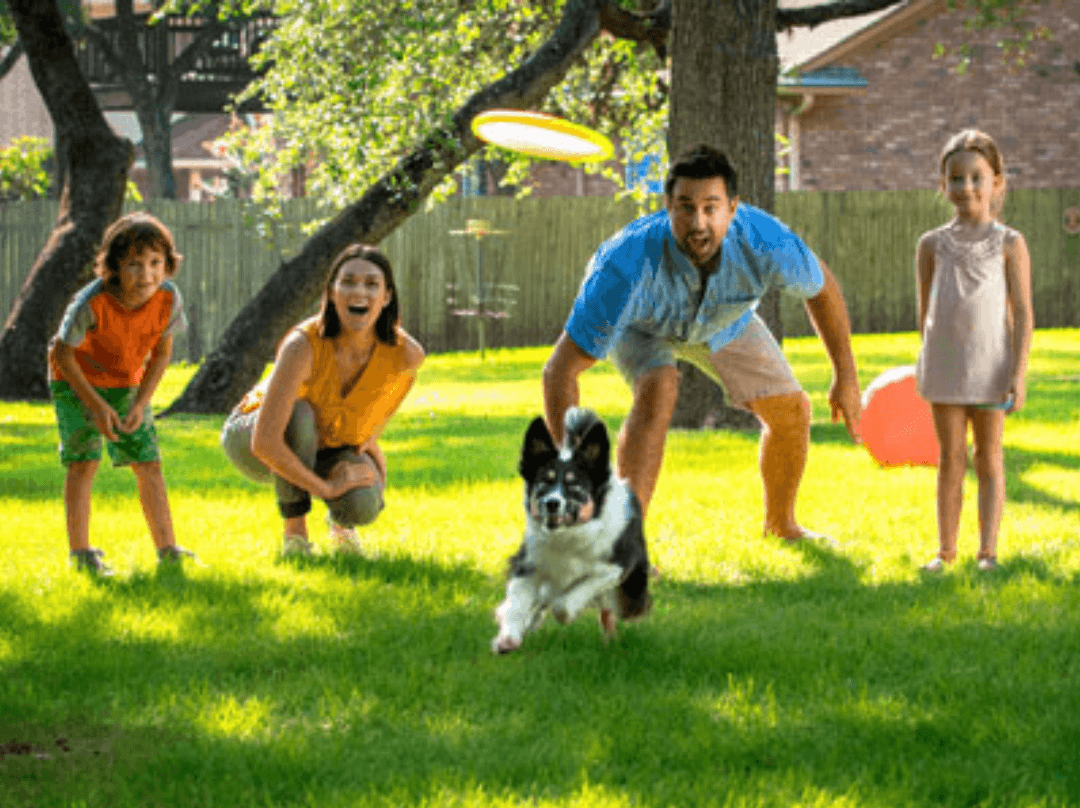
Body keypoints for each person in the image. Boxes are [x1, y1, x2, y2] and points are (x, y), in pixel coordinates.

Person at [543, 144, 862, 541]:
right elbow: (559, 371)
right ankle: (623, 542)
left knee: (791, 412)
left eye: (711, 207)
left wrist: (845, 375)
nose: (699, 222)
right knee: (659, 387)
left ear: (733, 207)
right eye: (685, 207)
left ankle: (781, 526)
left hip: (722, 320)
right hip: (643, 323)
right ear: (668, 206)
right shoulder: (623, 269)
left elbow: (822, 288)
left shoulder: (765, 240)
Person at [221, 244, 424, 556]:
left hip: (323, 442)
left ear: (387, 298)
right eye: (349, 282)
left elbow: (381, 410)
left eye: (372, 284)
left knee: (362, 504)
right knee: (299, 414)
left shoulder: (406, 355)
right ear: (331, 292)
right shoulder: (302, 345)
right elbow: (265, 441)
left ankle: (341, 527)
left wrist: (369, 445)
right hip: (251, 436)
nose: (360, 292)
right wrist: (325, 488)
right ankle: (296, 538)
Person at [48, 212, 193, 576]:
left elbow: (161, 353)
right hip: (74, 379)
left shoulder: (167, 298)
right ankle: (81, 554)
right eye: (134, 265)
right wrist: (95, 406)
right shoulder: (92, 301)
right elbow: (64, 354)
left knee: (149, 463)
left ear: (168, 264)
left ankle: (168, 550)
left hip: (126, 382)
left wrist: (141, 403)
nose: (146, 275)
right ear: (114, 266)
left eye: (155, 263)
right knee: (84, 462)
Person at [915, 129, 1033, 572]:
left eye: (977, 177)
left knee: (989, 457)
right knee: (950, 459)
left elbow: (1023, 314)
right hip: (945, 369)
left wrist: (1017, 375)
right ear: (943, 185)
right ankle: (946, 551)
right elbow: (926, 313)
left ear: (997, 182)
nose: (966, 187)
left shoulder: (1009, 243)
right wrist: (926, 360)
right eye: (956, 178)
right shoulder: (930, 245)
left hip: (992, 368)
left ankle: (988, 551)